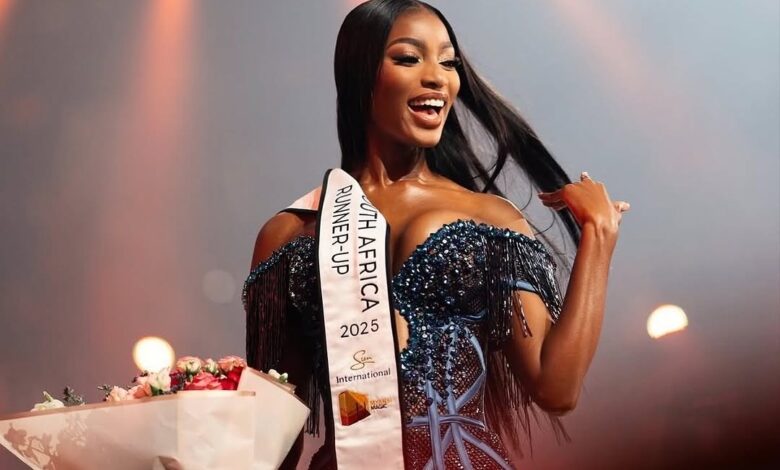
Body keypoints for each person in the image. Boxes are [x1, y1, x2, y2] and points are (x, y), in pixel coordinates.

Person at [243, 1, 629, 468]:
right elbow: (274, 437)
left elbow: (557, 388)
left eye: (448, 62)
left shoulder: (490, 217)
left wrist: (598, 237)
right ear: (360, 74)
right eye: (409, 58)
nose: (437, 78)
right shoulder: (290, 233)